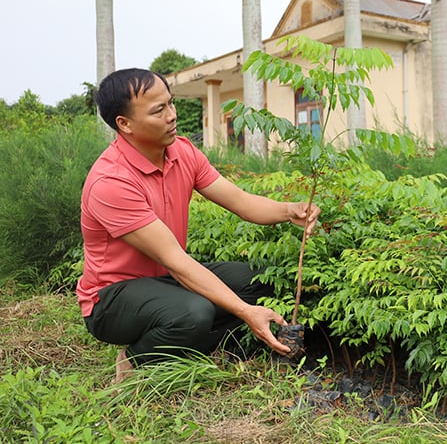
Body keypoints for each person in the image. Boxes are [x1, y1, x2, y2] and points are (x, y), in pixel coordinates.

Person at [77, 67, 320, 383]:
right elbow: (177, 263)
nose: (172, 115)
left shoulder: (182, 152)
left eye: (171, 103)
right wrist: (245, 312)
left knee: (260, 281)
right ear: (125, 124)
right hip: (112, 298)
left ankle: (192, 345)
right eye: (158, 110)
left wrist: (290, 210)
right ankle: (136, 360)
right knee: (194, 313)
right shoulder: (111, 182)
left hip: (166, 279)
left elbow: (240, 201)